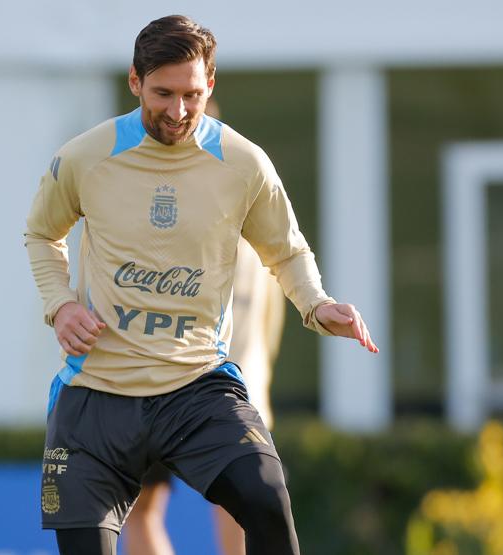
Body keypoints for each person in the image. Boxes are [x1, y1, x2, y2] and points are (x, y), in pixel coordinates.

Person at [24, 15, 377, 555]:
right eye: (163, 93)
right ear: (135, 81)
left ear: (210, 83)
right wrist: (61, 305)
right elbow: (42, 234)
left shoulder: (244, 163)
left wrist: (317, 303)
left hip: (197, 386)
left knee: (266, 501)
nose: (178, 111)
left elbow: (285, 249)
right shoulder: (85, 157)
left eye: (191, 94)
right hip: (97, 393)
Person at [121, 237, 286, 555]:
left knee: (143, 511)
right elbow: (270, 326)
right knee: (240, 505)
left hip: (158, 382)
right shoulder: (264, 235)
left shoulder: (177, 218)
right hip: (242, 388)